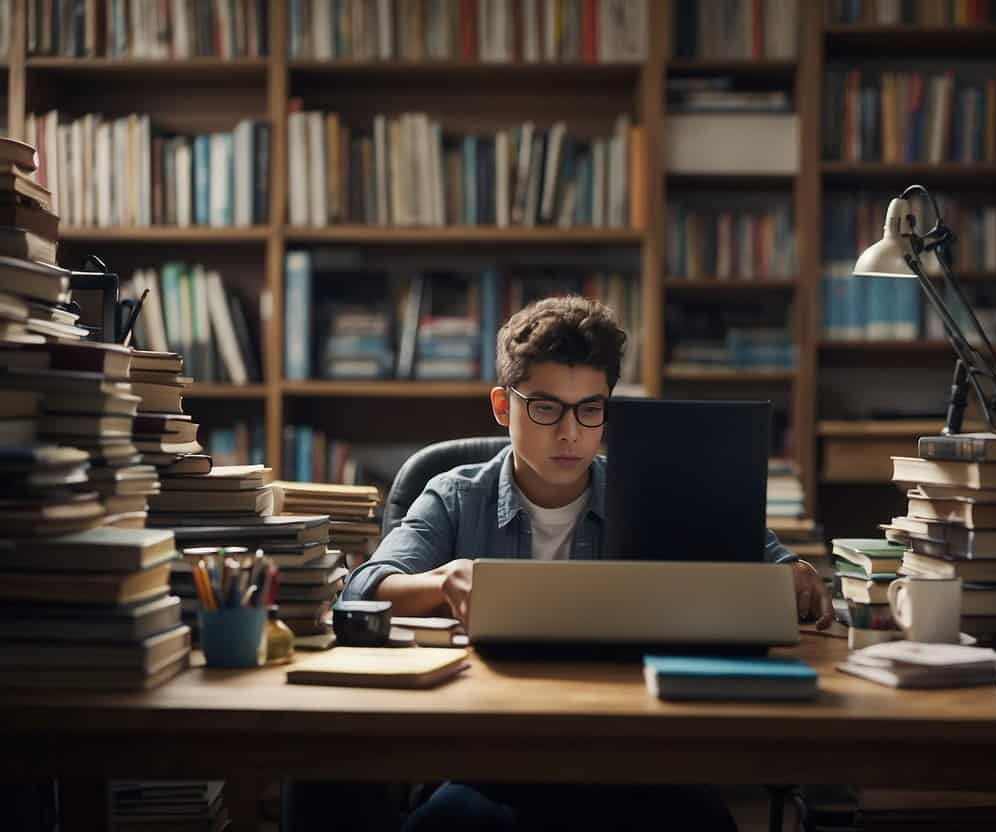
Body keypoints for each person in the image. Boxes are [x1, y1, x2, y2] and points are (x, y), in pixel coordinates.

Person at [341, 295, 834, 831]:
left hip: (635, 762)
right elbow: (365, 588)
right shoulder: (456, 496)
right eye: (546, 408)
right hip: (493, 762)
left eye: (590, 409)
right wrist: (444, 578)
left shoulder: (660, 488)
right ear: (503, 407)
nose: (570, 432)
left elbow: (769, 561)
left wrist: (794, 573)